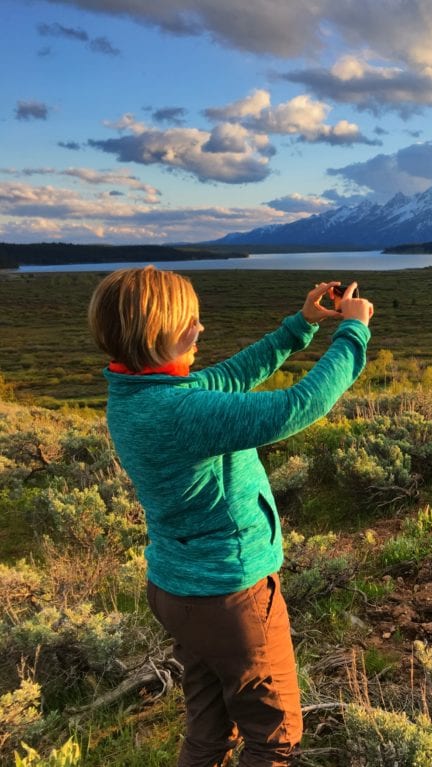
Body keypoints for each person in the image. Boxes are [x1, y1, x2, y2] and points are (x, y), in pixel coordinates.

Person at [88, 266, 374, 767]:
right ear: (156, 336)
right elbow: (297, 406)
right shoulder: (181, 413)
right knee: (274, 737)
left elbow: (230, 376)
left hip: (179, 589)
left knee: (209, 730)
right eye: (189, 323)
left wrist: (302, 324)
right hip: (231, 595)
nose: (200, 330)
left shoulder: (137, 395)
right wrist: (353, 331)